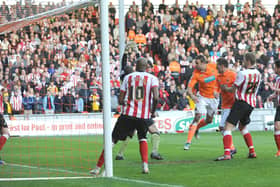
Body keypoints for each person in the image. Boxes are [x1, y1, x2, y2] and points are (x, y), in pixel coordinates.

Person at [90, 58, 159, 175]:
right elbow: (156, 97)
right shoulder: (152, 78)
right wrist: (152, 111)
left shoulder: (128, 77)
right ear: (147, 66)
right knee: (142, 138)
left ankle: (97, 168)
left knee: (112, 140)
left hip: (128, 114)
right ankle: (145, 166)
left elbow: (121, 99)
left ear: (136, 66)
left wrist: (125, 102)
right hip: (144, 116)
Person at [215, 53, 261, 161]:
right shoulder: (258, 73)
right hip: (251, 104)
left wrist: (224, 88)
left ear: (248, 61)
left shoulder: (242, 73)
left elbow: (233, 89)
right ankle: (252, 151)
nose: (243, 62)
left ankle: (227, 154)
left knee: (227, 128)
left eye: (244, 60)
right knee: (242, 127)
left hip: (241, 102)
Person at [184, 55, 219, 150]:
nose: (195, 65)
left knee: (209, 120)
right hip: (202, 97)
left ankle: (197, 128)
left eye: (197, 63)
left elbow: (223, 74)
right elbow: (189, 88)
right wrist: (192, 96)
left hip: (214, 98)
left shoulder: (214, 66)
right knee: (198, 116)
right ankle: (188, 142)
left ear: (203, 63)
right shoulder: (196, 73)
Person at [266, 60, 280, 157]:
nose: (274, 69)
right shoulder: (278, 79)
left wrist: (273, 88)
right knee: (276, 126)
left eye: (275, 67)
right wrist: (272, 96)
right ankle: (279, 150)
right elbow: (277, 93)